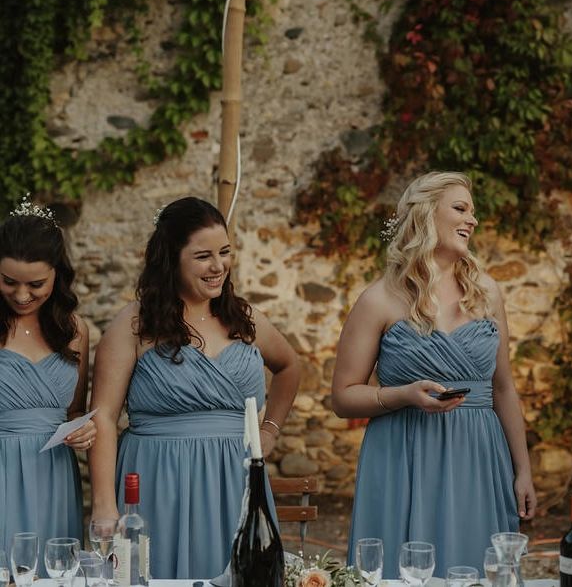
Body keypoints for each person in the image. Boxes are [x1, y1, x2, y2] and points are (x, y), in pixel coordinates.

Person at [332, 171, 536, 579]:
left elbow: (503, 388)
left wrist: (523, 469)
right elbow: (343, 397)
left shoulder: (488, 292)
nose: (472, 220)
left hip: (480, 456)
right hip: (402, 457)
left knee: (476, 569)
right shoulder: (379, 299)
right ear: (425, 215)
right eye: (460, 209)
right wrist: (404, 395)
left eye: (473, 212)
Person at [89, 197, 300, 579]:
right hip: (158, 479)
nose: (218, 265)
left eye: (225, 252)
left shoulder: (245, 317)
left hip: (234, 480)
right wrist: (105, 503)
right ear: (171, 259)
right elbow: (103, 414)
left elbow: (289, 367)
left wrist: (270, 430)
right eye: (203, 256)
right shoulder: (135, 324)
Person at [0, 197, 95, 559]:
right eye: (9, 282)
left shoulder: (74, 331)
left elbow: (75, 411)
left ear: (58, 273)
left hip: (54, 474)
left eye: (36, 284)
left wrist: (83, 430)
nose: (22, 295)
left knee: (54, 571)